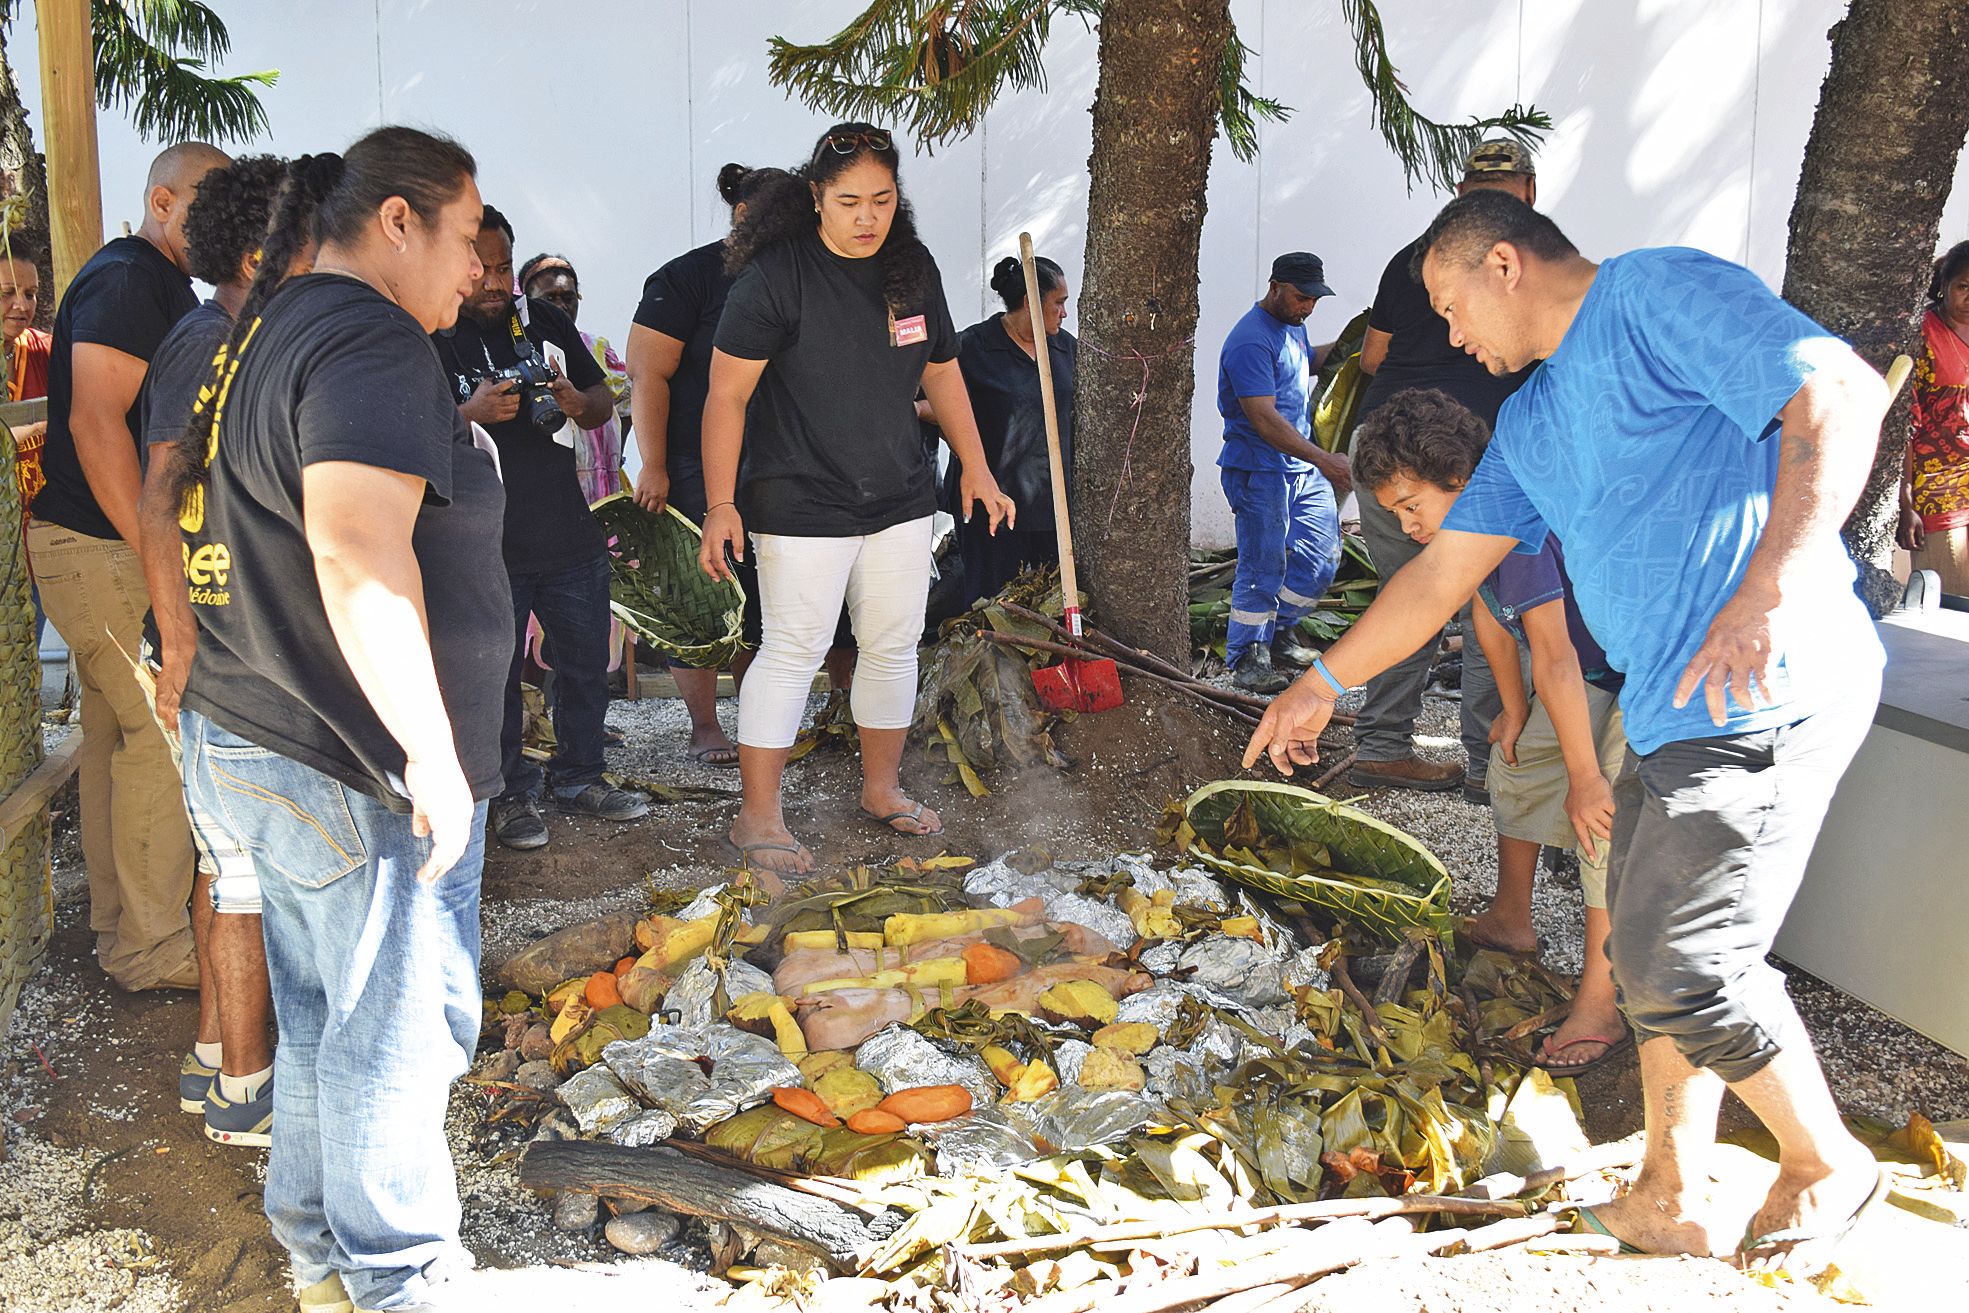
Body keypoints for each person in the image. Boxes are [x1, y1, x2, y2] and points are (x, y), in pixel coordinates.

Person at [1245, 190, 1892, 1273]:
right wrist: (1318, 681)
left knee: (1687, 963)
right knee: (1647, 950)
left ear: (1504, 265)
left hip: (1764, 685)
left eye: (1451, 306)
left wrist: (1769, 580)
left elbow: (1837, 389)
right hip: (1667, 706)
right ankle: (1671, 1192)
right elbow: (1444, 571)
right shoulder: (1534, 420)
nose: (1450, 336)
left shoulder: (1650, 290)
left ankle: (1826, 1159)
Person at [171, 127, 505, 1313]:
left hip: (245, 724)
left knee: (320, 1015)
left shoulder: (272, 324)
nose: (477, 267)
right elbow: (356, 550)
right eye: (466, 235)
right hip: (330, 747)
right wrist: (428, 749)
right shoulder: (368, 336)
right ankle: (398, 1277)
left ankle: (318, 1253)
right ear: (401, 220)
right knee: (389, 1030)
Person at [699, 122, 1015, 886]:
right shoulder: (775, 277)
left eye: (881, 198)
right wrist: (720, 502)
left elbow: (940, 371)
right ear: (815, 198)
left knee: (891, 642)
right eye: (848, 201)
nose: (867, 216)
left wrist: (975, 465)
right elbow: (725, 396)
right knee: (794, 648)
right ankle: (758, 814)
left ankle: (881, 786)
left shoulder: (910, 267)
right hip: (799, 498)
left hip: (900, 494)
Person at [1353, 388, 1625, 1072]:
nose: (1408, 525)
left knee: (1600, 822)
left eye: (1412, 506)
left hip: (1632, 674)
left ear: (1458, 479)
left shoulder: (1518, 522)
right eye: (1395, 513)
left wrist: (1586, 776)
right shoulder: (1467, 538)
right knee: (1517, 762)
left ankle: (1601, 996)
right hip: (1577, 670)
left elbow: (1556, 658)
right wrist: (1511, 705)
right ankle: (1511, 916)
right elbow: (1487, 622)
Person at [29, 140, 229, 993]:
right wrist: (155, 552)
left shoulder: (159, 283)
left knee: (116, 736)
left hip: (93, 545)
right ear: (162, 201)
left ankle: (120, 931)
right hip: (99, 545)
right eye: (209, 205)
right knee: (158, 733)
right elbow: (94, 424)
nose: (224, 225)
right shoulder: (124, 280)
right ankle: (151, 947)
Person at [133, 154, 288, 1147]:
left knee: (227, 860)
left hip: (227, 642)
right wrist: (180, 633)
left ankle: (212, 1052)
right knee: (244, 874)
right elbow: (160, 497)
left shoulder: (240, 335)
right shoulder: (207, 343)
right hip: (215, 648)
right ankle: (247, 1085)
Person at [433, 204, 646, 851]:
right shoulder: (430, 329)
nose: (496, 283)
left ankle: (580, 773)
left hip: (565, 530)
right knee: (494, 676)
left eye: (504, 268)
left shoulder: (543, 320)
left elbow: (601, 400)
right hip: (483, 542)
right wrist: (469, 411)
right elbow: (405, 434)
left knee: (584, 662)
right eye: (484, 269)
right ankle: (509, 793)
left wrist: (578, 403)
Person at [1347, 139, 1539, 799]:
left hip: (1389, 438)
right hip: (1449, 456)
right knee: (1484, 603)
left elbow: (1372, 358)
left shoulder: (1409, 261)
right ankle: (1492, 767)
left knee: (1419, 596)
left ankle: (1383, 746)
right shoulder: (1518, 266)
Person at [626, 164, 806, 768]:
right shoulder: (686, 278)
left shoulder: (799, 274)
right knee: (701, 594)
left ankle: (761, 721)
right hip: (692, 461)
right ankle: (705, 726)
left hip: (778, 461)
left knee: (763, 597)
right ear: (741, 216)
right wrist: (652, 462)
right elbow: (647, 373)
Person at [1214, 251, 1350, 693]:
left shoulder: (1292, 326)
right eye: (1301, 297)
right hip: (1259, 470)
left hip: (1300, 468)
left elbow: (1304, 364)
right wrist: (1325, 459)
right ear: (1275, 287)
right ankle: (1248, 657)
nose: (1308, 306)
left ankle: (1278, 634)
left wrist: (1351, 349)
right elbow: (1264, 418)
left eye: (1314, 299)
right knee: (1263, 564)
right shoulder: (1251, 339)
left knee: (1321, 558)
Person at [936, 253, 1076, 604]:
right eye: (1058, 303)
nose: (1064, 313)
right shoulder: (971, 347)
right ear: (1031, 301)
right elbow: (930, 406)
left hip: (1053, 502)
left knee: (1054, 602)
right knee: (991, 603)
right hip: (992, 504)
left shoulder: (1066, 348)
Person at [518, 252, 631, 504]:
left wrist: (614, 453)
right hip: (555, 484)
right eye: (549, 298)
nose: (561, 306)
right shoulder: (520, 350)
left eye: (568, 298)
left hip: (604, 481)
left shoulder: (597, 347)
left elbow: (627, 401)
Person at [1899, 239, 1969, 596]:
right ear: (1943, 286)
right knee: (1950, 609)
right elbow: (1903, 427)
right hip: (1938, 496)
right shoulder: (1924, 335)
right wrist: (1905, 501)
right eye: (1963, 286)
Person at [2, 242, 52, 646]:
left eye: (30, 293)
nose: (21, 305)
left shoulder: (45, 353)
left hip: (34, 557)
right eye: (7, 293)